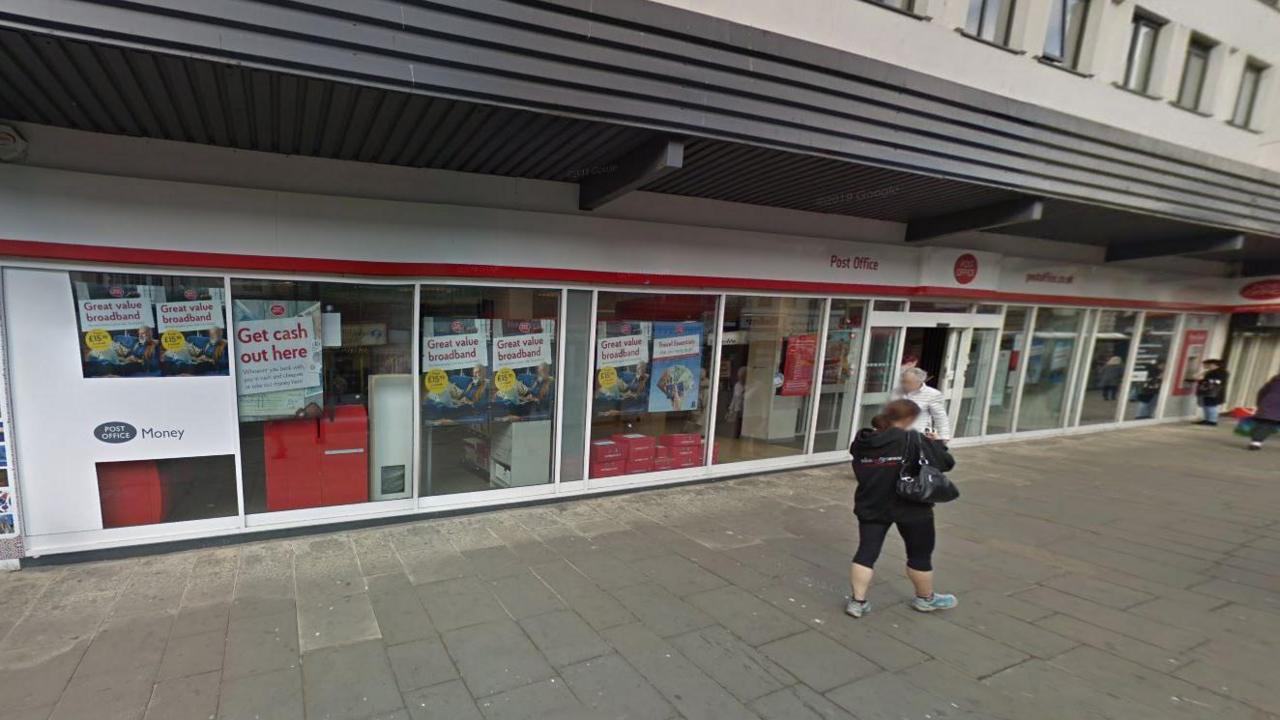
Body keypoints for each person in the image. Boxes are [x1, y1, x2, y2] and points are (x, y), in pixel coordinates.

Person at [847, 399, 957, 618]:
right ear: (909, 419)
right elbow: (946, 463)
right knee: (919, 554)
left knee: (866, 553)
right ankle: (925, 599)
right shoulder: (914, 438)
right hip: (911, 506)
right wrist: (937, 444)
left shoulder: (863, 440)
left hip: (872, 502)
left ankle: (857, 602)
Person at [894, 367, 951, 440]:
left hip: (918, 436)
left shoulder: (932, 394)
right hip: (896, 435)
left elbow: (940, 417)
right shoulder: (897, 392)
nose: (904, 384)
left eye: (908, 382)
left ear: (918, 382)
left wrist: (943, 438)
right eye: (903, 381)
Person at [1248, 374, 1280, 450]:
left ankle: (1255, 441)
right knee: (1269, 424)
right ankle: (1256, 442)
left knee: (1263, 422)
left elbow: (1262, 392)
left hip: (1267, 402)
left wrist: (1259, 403)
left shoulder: (1274, 380)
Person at [1194, 359, 1229, 426]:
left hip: (1214, 392)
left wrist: (1202, 381)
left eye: (1205, 364)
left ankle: (1212, 421)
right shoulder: (1211, 371)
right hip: (1208, 391)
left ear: (1212, 364)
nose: (1204, 366)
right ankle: (1207, 419)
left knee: (1211, 405)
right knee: (1206, 405)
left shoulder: (1221, 372)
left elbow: (1218, 382)